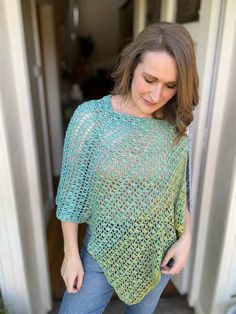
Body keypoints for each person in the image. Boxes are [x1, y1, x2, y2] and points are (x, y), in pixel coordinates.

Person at [55, 21, 198, 314]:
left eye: (170, 85)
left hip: (157, 252)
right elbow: (70, 196)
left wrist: (186, 239)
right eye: (149, 79)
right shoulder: (91, 120)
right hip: (100, 250)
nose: (156, 95)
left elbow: (178, 194)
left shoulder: (175, 130)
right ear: (133, 67)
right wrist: (70, 254)